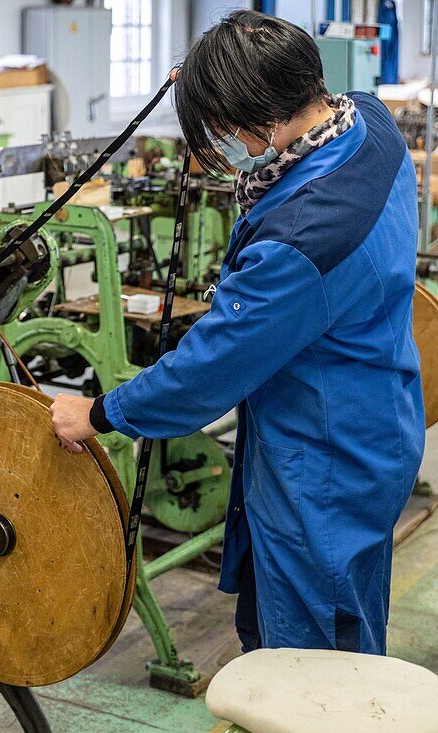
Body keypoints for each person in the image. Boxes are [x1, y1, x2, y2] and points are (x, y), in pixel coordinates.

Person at [50, 10, 424, 656]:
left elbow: (210, 367)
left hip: (322, 464)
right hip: (376, 415)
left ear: (264, 116)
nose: (218, 146)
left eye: (222, 129)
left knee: (315, 667)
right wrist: (204, 82)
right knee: (349, 623)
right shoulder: (370, 124)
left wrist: (103, 412)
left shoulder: (301, 240)